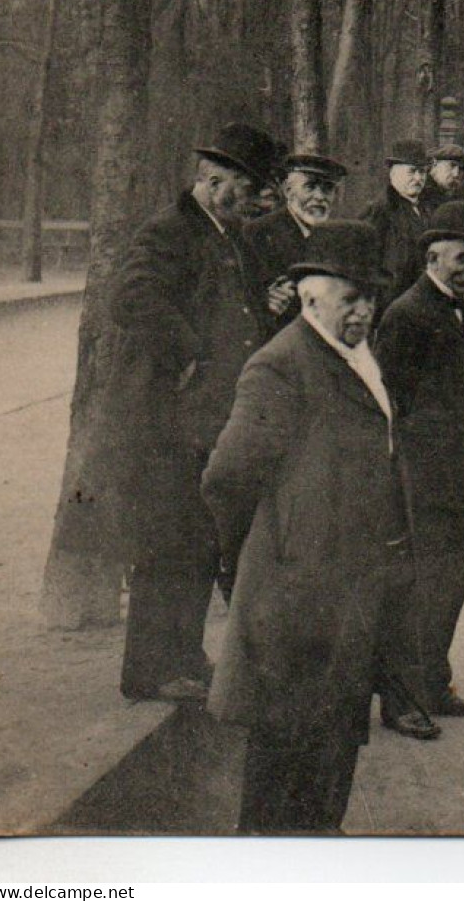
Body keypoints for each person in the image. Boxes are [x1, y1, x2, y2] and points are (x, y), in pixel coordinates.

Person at [203, 220, 414, 832]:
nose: (365, 311)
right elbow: (226, 478)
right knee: (283, 754)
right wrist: (265, 560)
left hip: (345, 585)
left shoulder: (354, 358)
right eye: (351, 298)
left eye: (370, 297)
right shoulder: (280, 367)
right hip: (295, 596)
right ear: (309, 297)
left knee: (334, 737)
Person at [105, 123, 283, 704]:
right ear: (212, 180)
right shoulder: (170, 232)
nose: (258, 198)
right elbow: (133, 297)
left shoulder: (229, 236)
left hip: (212, 420)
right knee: (170, 544)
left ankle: (181, 656)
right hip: (170, 423)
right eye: (249, 185)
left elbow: (235, 306)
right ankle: (150, 671)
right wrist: (187, 354)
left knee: (200, 542)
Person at [375, 201, 464, 722]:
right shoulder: (406, 315)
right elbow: (391, 408)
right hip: (425, 484)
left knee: (448, 591)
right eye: (463, 260)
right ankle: (401, 702)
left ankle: (433, 684)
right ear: (432, 255)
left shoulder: (460, 305)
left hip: (461, 481)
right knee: (419, 595)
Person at [244, 152, 349, 330]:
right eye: (310, 187)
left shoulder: (336, 238)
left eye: (327, 188)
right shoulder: (257, 234)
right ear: (287, 191)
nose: (320, 197)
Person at [361, 141, 431, 307]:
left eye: (422, 172)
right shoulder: (381, 209)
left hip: (420, 300)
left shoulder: (425, 209)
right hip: (392, 302)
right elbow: (368, 262)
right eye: (412, 171)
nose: (418, 178)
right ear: (393, 174)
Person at [421, 143, 464, 213]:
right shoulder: (419, 195)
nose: (456, 174)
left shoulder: (461, 197)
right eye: (452, 166)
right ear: (434, 163)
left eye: (461, 169)